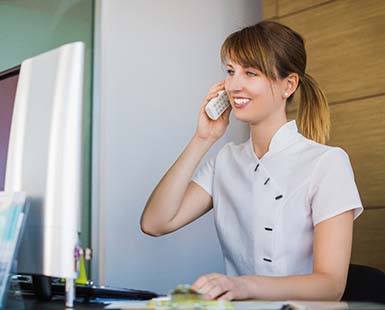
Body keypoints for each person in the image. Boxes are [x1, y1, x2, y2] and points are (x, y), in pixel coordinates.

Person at [140, 20, 363, 302]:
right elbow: (155, 223)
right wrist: (203, 138)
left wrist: (243, 287)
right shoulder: (225, 160)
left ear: (288, 85)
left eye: (251, 72)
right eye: (230, 72)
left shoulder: (328, 163)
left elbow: (330, 286)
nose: (234, 85)